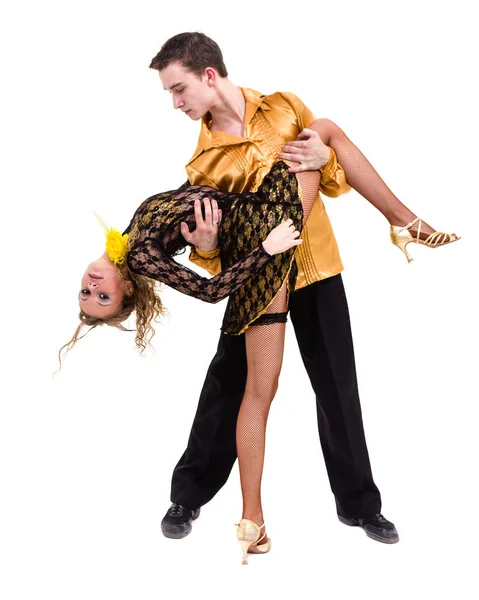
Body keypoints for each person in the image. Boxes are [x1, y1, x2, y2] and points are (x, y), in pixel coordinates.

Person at [149, 31, 460, 557]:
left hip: (317, 268)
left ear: (208, 75)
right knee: (227, 387)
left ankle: (359, 505)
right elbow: (215, 249)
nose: (175, 103)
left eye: (178, 89)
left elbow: (332, 180)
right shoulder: (202, 165)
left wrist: (321, 153)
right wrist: (203, 246)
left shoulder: (286, 108)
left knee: (338, 386)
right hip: (256, 282)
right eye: (170, 95)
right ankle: (189, 496)